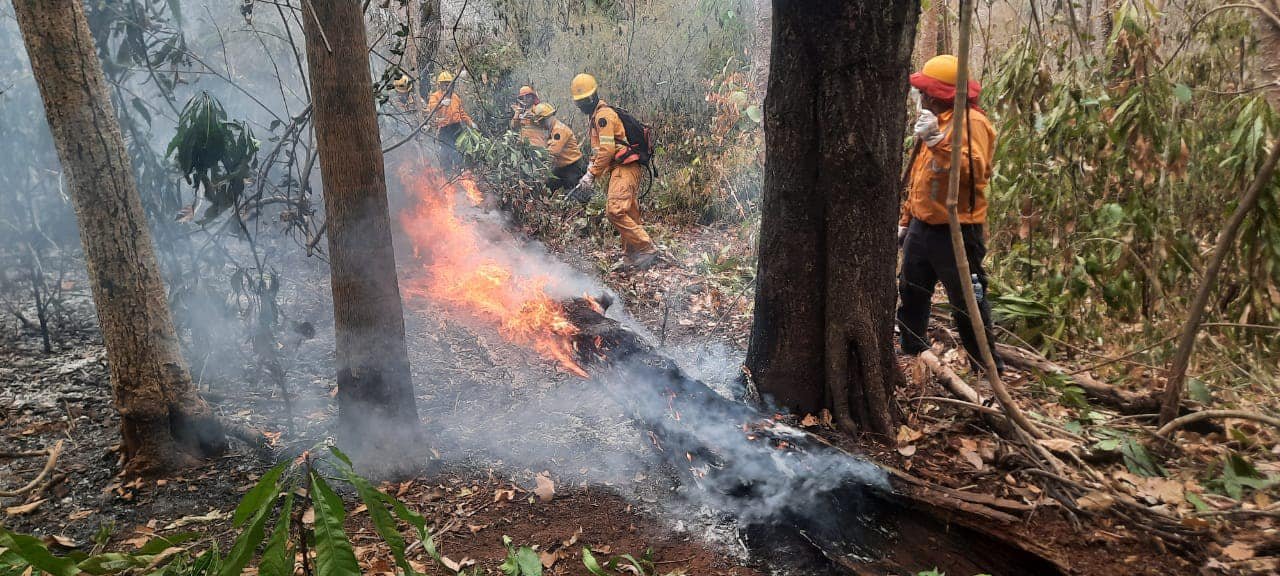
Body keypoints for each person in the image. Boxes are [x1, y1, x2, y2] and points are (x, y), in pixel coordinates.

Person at [896, 54, 1003, 374]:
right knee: (911, 290)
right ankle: (913, 350)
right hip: (921, 226)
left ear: (943, 94)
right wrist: (905, 221)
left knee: (967, 301)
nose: (923, 97)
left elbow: (976, 171)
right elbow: (919, 176)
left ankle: (986, 368)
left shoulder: (974, 124)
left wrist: (939, 142)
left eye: (929, 92)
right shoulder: (933, 122)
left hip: (958, 230)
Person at [570, 73, 658, 271]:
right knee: (629, 212)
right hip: (622, 168)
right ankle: (631, 257)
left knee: (615, 211)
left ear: (591, 98)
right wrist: (590, 167)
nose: (580, 106)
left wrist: (592, 174)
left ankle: (647, 248)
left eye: (582, 101)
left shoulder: (603, 116)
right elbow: (600, 149)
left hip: (625, 167)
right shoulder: (597, 116)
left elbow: (608, 149)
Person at [426, 70, 477, 175]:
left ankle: (461, 172)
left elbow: (462, 113)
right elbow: (431, 108)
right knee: (445, 151)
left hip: (457, 128)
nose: (446, 85)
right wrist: (441, 103)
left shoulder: (455, 97)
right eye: (444, 83)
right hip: (444, 129)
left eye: (448, 83)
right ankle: (447, 174)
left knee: (458, 150)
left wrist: (470, 123)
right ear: (439, 84)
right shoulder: (435, 96)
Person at [527, 103, 585, 192]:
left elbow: (553, 151)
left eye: (542, 121)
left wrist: (536, 155)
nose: (541, 125)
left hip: (572, 167)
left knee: (575, 193)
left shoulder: (559, 130)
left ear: (548, 118)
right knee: (548, 187)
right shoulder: (552, 129)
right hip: (560, 167)